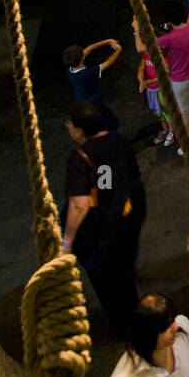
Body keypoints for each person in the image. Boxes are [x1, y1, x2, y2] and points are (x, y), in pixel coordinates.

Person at [62, 103, 147, 338]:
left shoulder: (80, 158)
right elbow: (127, 178)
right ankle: (133, 311)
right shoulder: (119, 141)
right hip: (127, 217)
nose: (69, 128)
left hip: (99, 231)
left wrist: (67, 241)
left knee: (106, 279)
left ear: (79, 131)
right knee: (123, 268)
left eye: (70, 125)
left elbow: (79, 205)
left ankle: (123, 325)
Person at [156, 1, 189, 153]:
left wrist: (136, 30)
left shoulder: (168, 38)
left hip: (180, 80)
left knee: (184, 112)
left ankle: (187, 146)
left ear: (168, 21)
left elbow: (142, 47)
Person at [63, 37, 121, 131]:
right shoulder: (86, 74)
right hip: (92, 102)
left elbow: (89, 48)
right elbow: (108, 63)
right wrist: (118, 50)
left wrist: (108, 41)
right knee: (102, 121)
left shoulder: (70, 69)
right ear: (82, 58)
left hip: (81, 101)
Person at [135, 30, 173, 147]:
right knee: (158, 112)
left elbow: (164, 76)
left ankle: (172, 132)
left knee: (167, 112)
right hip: (150, 90)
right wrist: (142, 81)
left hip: (162, 90)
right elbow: (141, 67)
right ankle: (165, 130)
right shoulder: (148, 53)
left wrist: (146, 82)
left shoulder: (166, 57)